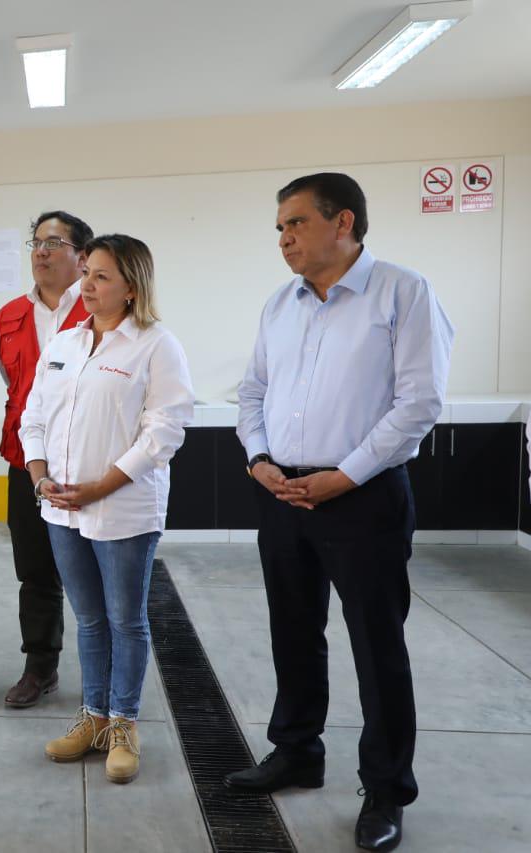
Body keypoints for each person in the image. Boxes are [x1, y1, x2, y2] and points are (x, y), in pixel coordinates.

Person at [225, 172, 453, 852]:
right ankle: (297, 750)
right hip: (282, 494)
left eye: (295, 223)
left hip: (364, 498)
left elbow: (418, 404)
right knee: (292, 631)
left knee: (376, 644)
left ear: (343, 222)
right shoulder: (280, 304)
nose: (284, 238)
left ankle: (385, 788)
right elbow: (252, 390)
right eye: (279, 228)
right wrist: (260, 458)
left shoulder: (403, 294)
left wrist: (343, 475)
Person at [20, 234, 194, 785]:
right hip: (61, 510)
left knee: (126, 619)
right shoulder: (66, 342)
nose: (86, 285)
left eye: (100, 276)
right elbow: (33, 417)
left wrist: (100, 487)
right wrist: (40, 475)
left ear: (131, 285)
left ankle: (123, 723)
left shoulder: (154, 344)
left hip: (121, 508)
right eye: (87, 274)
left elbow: (164, 431)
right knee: (89, 619)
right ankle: (93, 719)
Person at [0, 210, 92, 708]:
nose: (41, 250)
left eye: (54, 241)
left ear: (82, 256)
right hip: (25, 464)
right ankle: (40, 667)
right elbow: (15, 390)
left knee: (98, 576)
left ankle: (110, 680)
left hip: (91, 467)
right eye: (36, 241)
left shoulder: (104, 308)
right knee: (34, 571)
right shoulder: (10, 314)